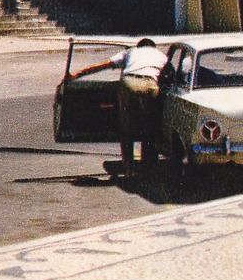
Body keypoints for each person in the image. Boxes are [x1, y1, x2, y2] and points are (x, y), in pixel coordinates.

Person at [70, 38, 169, 179]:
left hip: (129, 83)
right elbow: (170, 75)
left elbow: (103, 65)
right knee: (150, 129)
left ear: (139, 46)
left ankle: (129, 171)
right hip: (151, 85)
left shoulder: (130, 52)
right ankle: (149, 170)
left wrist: (77, 74)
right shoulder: (161, 56)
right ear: (153, 47)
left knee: (126, 130)